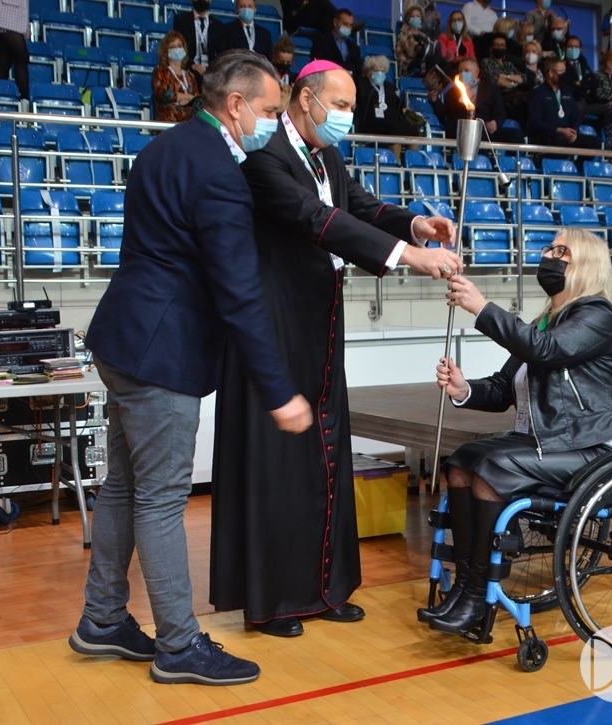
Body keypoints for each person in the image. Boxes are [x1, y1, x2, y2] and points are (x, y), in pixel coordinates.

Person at [70, 51, 312, 686]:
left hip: (123, 338)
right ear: (235, 105)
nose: (272, 123)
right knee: (159, 499)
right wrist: (278, 388)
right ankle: (179, 645)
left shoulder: (164, 148)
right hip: (162, 354)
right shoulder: (219, 173)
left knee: (123, 485)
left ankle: (102, 618)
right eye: (268, 111)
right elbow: (239, 293)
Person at [211, 60, 463, 638]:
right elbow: (315, 218)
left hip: (319, 321)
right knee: (279, 463)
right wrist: (405, 256)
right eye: (342, 105)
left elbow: (358, 207)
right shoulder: (265, 155)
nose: (348, 116)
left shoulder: (326, 155)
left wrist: (414, 225)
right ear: (306, 99)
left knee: (324, 456)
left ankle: (323, 589)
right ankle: (275, 601)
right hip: (276, 323)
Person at [418, 230, 612, 635]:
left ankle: (477, 592)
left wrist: (481, 307)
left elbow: (544, 350)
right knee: (463, 460)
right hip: (556, 440)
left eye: (561, 251)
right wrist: (464, 389)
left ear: (586, 265)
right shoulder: (546, 322)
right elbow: (505, 388)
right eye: (549, 247)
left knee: (492, 467)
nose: (549, 255)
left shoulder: (598, 315)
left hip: (596, 444)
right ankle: (467, 587)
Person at [430, 56, 522, 142]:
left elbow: (500, 112)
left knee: (517, 135)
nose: (462, 74)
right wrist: (435, 101)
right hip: (461, 128)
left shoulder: (490, 88)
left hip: (484, 127)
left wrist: (495, 122)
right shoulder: (453, 91)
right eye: (460, 71)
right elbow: (444, 115)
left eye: (466, 70)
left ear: (477, 72)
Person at [527, 57, 599, 148]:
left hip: (567, 135)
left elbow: (575, 117)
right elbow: (535, 122)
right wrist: (559, 130)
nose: (565, 74)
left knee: (594, 142)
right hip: (547, 135)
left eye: (565, 70)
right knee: (559, 138)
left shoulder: (568, 91)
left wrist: (574, 131)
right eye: (561, 71)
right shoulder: (537, 92)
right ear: (551, 72)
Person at [355, 55, 419, 148]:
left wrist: (403, 109)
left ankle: (412, 157)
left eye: (382, 71)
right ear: (368, 72)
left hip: (390, 121)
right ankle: (395, 158)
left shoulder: (388, 87)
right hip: (371, 123)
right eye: (377, 71)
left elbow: (397, 103)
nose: (380, 73)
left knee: (412, 130)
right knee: (394, 130)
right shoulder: (361, 84)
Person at [173, 0, 229, 89]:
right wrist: (192, 65)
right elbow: (178, 47)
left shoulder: (218, 25)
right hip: (189, 67)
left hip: (209, 70)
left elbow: (222, 53)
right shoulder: (181, 20)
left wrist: (211, 69)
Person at [0, 0, 29, 100]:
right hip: (5, 9)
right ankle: (25, 100)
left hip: (10, 9)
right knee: (21, 56)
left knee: (5, 61)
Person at [152, 32, 200, 123]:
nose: (177, 49)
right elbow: (163, 95)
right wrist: (189, 97)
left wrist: (188, 102)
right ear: (165, 52)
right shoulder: (161, 71)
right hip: (168, 121)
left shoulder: (190, 76)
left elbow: (197, 101)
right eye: (172, 47)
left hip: (190, 123)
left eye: (179, 46)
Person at [310, 8, 363, 77]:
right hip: (329, 79)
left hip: (349, 80)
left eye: (351, 25)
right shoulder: (321, 42)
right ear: (335, 22)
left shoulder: (354, 47)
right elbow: (317, 65)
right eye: (345, 24)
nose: (348, 28)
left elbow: (359, 72)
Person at [395, 5, 437, 78]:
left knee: (440, 60)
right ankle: (427, 79)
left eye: (418, 16)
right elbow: (410, 52)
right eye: (412, 16)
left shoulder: (424, 35)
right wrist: (424, 49)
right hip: (408, 63)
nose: (415, 18)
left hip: (423, 60)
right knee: (427, 60)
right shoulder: (404, 33)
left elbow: (430, 47)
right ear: (408, 18)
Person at [558, 36, 593, 106]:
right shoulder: (560, 65)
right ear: (564, 49)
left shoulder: (583, 64)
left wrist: (580, 84)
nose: (573, 49)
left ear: (581, 50)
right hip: (572, 101)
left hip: (587, 100)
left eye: (576, 47)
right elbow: (567, 84)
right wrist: (584, 87)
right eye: (570, 47)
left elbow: (593, 81)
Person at [272, 36, 296, 113]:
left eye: (288, 62)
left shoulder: (294, 78)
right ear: (275, 58)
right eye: (282, 62)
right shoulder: (268, 76)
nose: (285, 64)